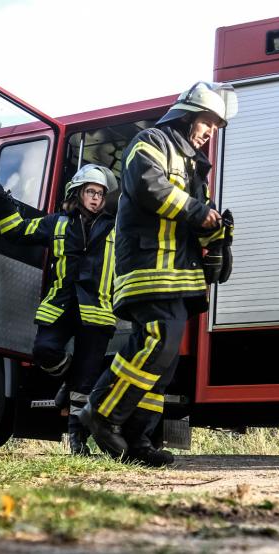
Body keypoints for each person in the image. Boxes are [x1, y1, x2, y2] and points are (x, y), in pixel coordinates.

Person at [79, 81, 238, 467]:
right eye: (208, 123)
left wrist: (219, 234)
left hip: (178, 275)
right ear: (188, 115)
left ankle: (137, 439)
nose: (210, 133)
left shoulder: (192, 165)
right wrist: (198, 212)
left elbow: (198, 213)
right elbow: (149, 186)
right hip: (149, 268)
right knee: (156, 343)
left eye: (216, 127)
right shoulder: (152, 140)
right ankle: (101, 413)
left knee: (163, 362)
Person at [0, 164, 118, 455]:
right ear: (78, 193)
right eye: (90, 192)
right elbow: (16, 231)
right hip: (59, 306)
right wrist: (1, 202)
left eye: (100, 194)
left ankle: (77, 441)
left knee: (84, 383)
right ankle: (68, 378)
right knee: (44, 351)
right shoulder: (55, 223)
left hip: (96, 313)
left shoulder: (116, 230)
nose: (96, 198)